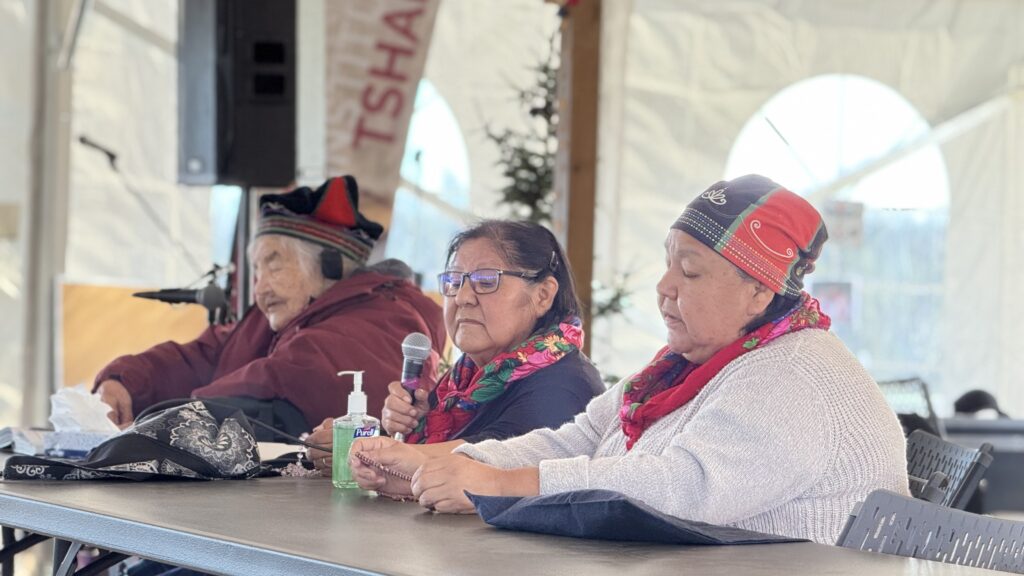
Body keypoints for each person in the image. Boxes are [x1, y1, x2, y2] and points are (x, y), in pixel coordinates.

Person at [349, 174, 910, 545]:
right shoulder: (682, 366)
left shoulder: (794, 374)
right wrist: (442, 469)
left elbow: (682, 488)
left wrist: (497, 484)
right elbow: (578, 438)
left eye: (689, 271)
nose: (664, 287)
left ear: (759, 291)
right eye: (667, 264)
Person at [94, 176, 445, 431]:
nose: (259, 290)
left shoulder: (386, 317)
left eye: (273, 264)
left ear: (328, 267)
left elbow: (284, 378)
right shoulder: (285, 312)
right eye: (256, 271)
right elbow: (205, 355)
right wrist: (125, 382)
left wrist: (164, 421)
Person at [306, 220, 605, 470]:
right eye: (453, 281)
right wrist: (405, 428)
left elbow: (485, 462)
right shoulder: (462, 383)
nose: (462, 297)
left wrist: (364, 451)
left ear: (542, 295)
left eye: (486, 281)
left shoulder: (562, 383)